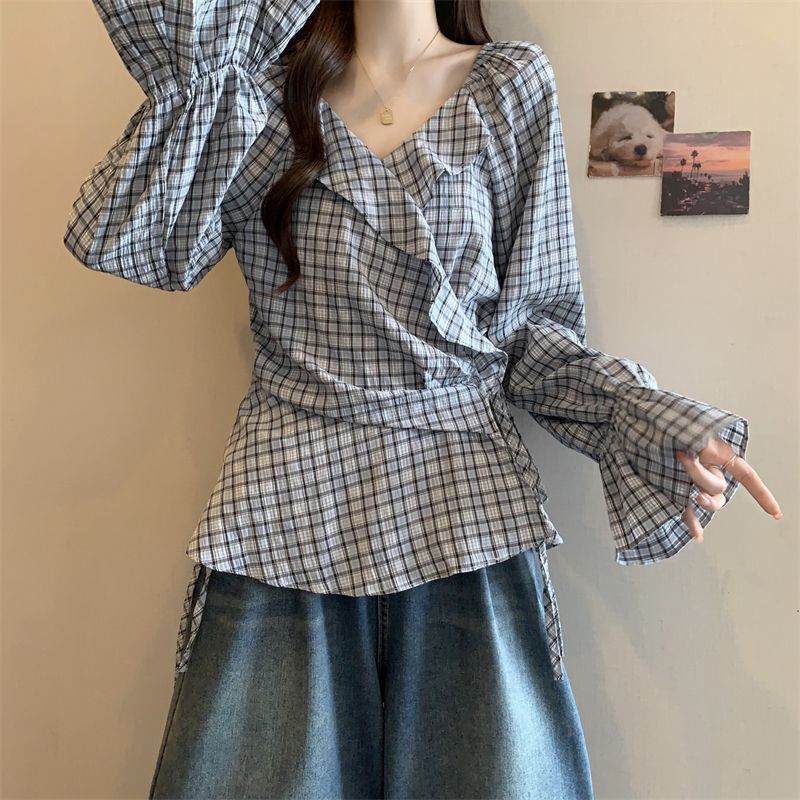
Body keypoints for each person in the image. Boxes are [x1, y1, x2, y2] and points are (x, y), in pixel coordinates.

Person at [62, 1, 782, 797]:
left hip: (464, 508)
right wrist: (208, 69)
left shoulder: (509, 85)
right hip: (284, 506)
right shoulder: (252, 90)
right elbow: (143, 248)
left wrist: (644, 419)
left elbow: (530, 332)